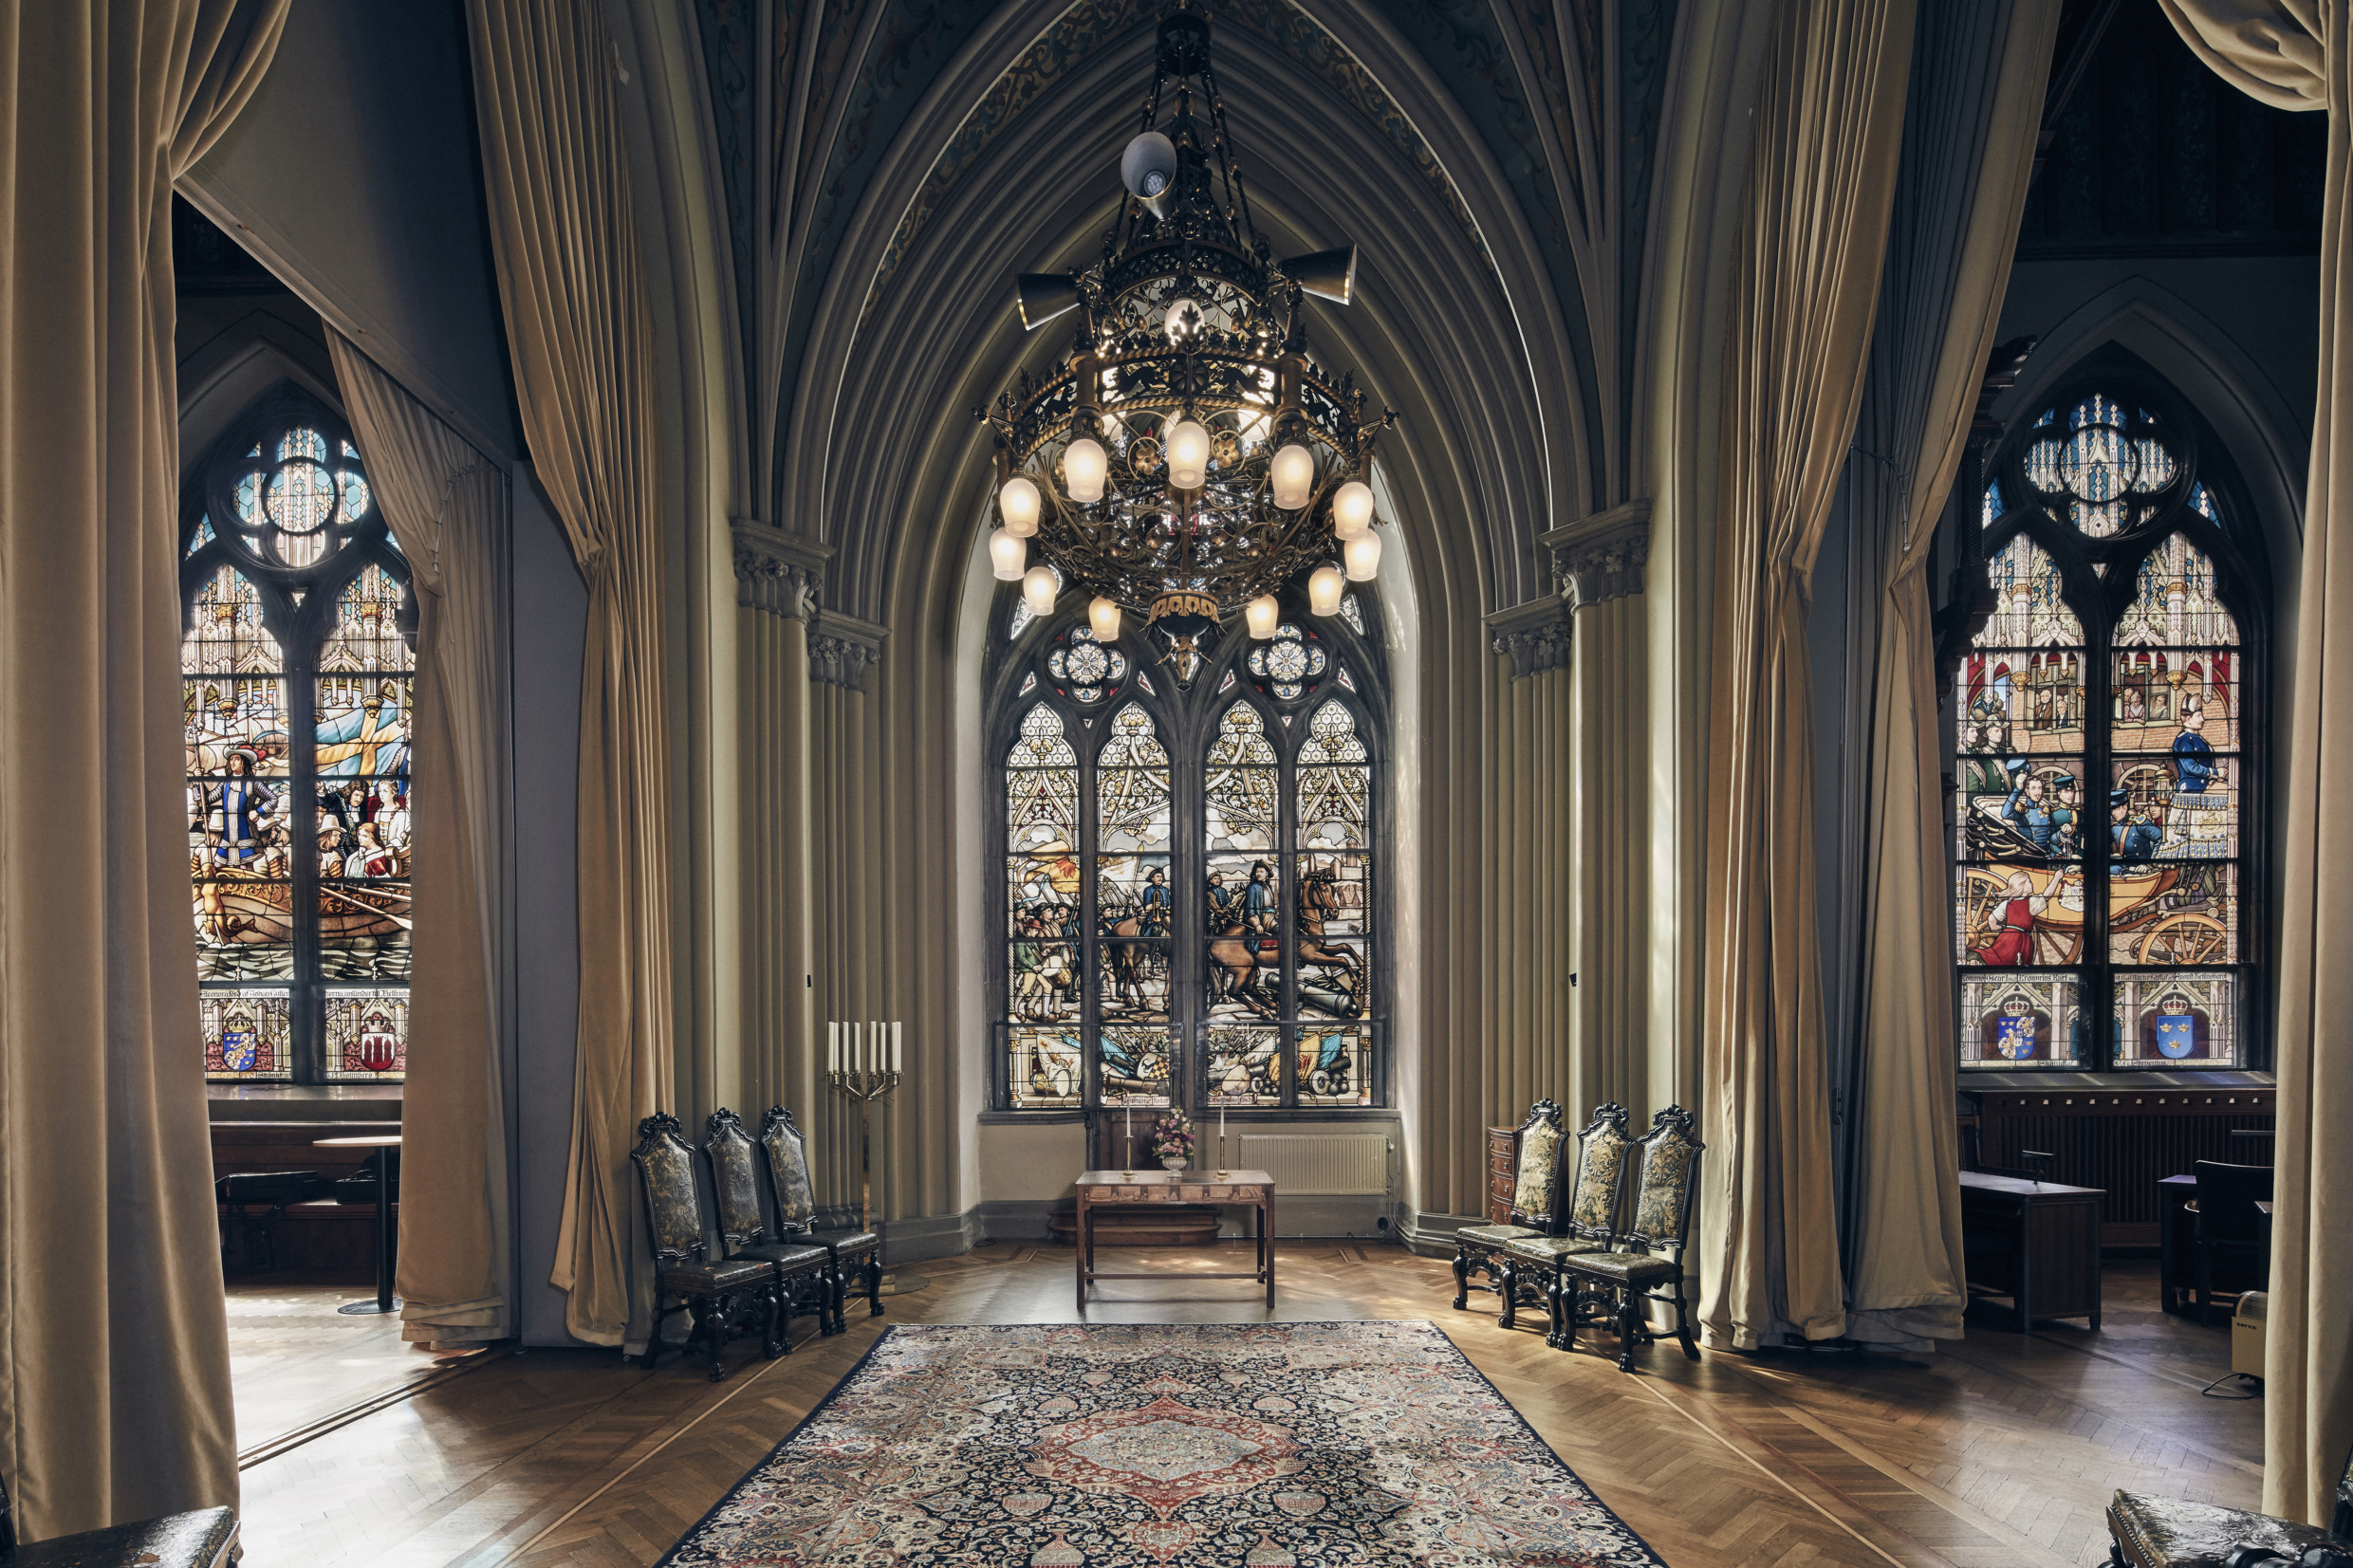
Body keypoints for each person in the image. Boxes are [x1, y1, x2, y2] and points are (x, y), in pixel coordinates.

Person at [201, 749, 278, 866]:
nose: (233, 762)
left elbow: (273, 799)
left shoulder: (253, 783)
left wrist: (258, 811)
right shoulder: (225, 783)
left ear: (245, 762)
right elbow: (207, 799)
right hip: (227, 840)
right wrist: (199, 781)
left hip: (247, 837)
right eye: (231, 759)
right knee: (218, 868)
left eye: (237, 759)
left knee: (247, 872)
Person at [1973, 869, 2046, 967]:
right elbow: (2047, 895)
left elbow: (1991, 919)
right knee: (2020, 961)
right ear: (2022, 886)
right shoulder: (2031, 902)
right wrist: (2056, 878)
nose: (2031, 883)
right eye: (2029, 881)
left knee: (2001, 956)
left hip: (2007, 937)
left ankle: (1981, 955)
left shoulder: (2007, 904)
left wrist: (1995, 928)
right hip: (2024, 940)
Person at [2001, 762, 2056, 856]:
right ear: (2026, 791)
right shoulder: (2021, 811)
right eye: (2033, 788)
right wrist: (2017, 790)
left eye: (2040, 788)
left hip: (2047, 855)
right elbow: (2005, 814)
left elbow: (2053, 837)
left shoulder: (2046, 810)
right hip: (2029, 855)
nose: (2037, 792)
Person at [2172, 697, 2217, 795]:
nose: (2203, 719)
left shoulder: (2199, 739)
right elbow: (2190, 767)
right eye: (2198, 716)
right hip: (2191, 789)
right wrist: (2213, 773)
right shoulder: (2183, 740)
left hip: (2204, 786)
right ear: (2188, 719)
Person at [2111, 786, 2161, 863]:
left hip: (2142, 868)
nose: (2113, 813)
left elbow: (2161, 838)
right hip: (2125, 867)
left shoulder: (2139, 823)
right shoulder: (2114, 827)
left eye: (2117, 809)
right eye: (2112, 809)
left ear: (2125, 807)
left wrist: (2151, 863)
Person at [2047, 773, 2081, 858]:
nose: (2071, 795)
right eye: (2066, 791)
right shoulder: (2053, 814)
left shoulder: (2080, 813)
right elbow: (2049, 842)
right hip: (2061, 857)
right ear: (2059, 793)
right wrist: (2062, 853)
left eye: (2072, 790)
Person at [1138, 866, 1171, 937]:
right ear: (1152, 879)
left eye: (1161, 876)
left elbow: (1168, 903)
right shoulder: (1148, 890)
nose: (1160, 878)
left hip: (1165, 915)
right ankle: (1154, 948)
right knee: (1157, 929)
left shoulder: (1165, 890)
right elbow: (1146, 907)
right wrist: (1155, 905)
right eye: (1157, 876)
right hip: (1153, 916)